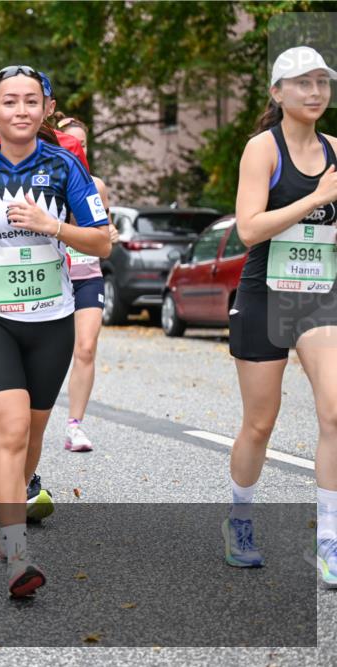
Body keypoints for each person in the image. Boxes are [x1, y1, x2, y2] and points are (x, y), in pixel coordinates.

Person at [0, 65, 110, 596]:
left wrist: (52, 225)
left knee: (31, 438)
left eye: (30, 101)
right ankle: (17, 556)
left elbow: (102, 241)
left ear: (46, 110)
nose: (21, 110)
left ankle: (9, 518)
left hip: (52, 320)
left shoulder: (66, 167)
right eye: (9, 102)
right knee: (10, 432)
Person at [226, 46, 337, 586]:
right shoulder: (261, 149)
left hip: (319, 297)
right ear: (277, 92)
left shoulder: (336, 149)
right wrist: (315, 197)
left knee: (335, 412)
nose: (315, 92)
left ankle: (329, 539)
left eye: (322, 82)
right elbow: (249, 229)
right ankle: (240, 519)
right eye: (302, 83)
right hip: (265, 294)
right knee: (260, 423)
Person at [53, 114, 119, 452]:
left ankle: (74, 426)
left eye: (83, 144)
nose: (78, 149)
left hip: (87, 276)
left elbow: (103, 233)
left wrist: (110, 233)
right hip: (52, 279)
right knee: (49, 355)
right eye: (72, 143)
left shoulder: (96, 186)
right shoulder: (46, 183)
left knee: (86, 348)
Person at [0, 71, 89, 173]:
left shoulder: (70, 145)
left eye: (32, 101)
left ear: (50, 107)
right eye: (11, 101)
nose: (23, 109)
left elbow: (84, 193)